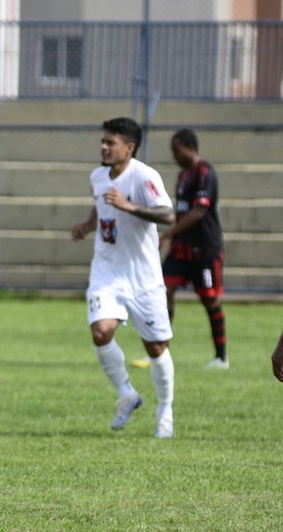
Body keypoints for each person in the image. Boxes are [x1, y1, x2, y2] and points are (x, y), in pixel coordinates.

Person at [71, 117, 177, 438]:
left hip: (143, 276)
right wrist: (88, 225)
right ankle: (126, 394)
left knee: (156, 346)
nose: (103, 147)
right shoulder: (97, 176)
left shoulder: (145, 177)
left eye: (110, 142)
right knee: (101, 332)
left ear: (129, 148)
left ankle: (165, 410)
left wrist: (129, 206)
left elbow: (168, 215)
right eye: (103, 141)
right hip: (107, 271)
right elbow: (100, 205)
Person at [160, 128, 228, 369]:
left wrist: (168, 234)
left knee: (210, 300)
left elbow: (199, 212)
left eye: (176, 150)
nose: (174, 156)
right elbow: (181, 212)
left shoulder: (205, 173)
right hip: (182, 247)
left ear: (190, 147)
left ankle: (221, 357)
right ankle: (160, 354)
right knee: (163, 290)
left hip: (205, 248)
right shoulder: (183, 177)